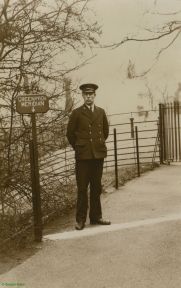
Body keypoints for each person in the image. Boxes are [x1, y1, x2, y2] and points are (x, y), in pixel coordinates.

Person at [66, 83, 111, 230]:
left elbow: (105, 131)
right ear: (82, 96)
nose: (89, 97)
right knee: (82, 188)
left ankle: (96, 217)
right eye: (86, 95)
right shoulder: (76, 113)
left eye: (91, 94)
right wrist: (80, 147)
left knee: (96, 187)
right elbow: (70, 134)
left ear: (95, 96)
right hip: (83, 157)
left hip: (98, 155)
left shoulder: (101, 112)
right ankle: (80, 220)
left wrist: (95, 147)